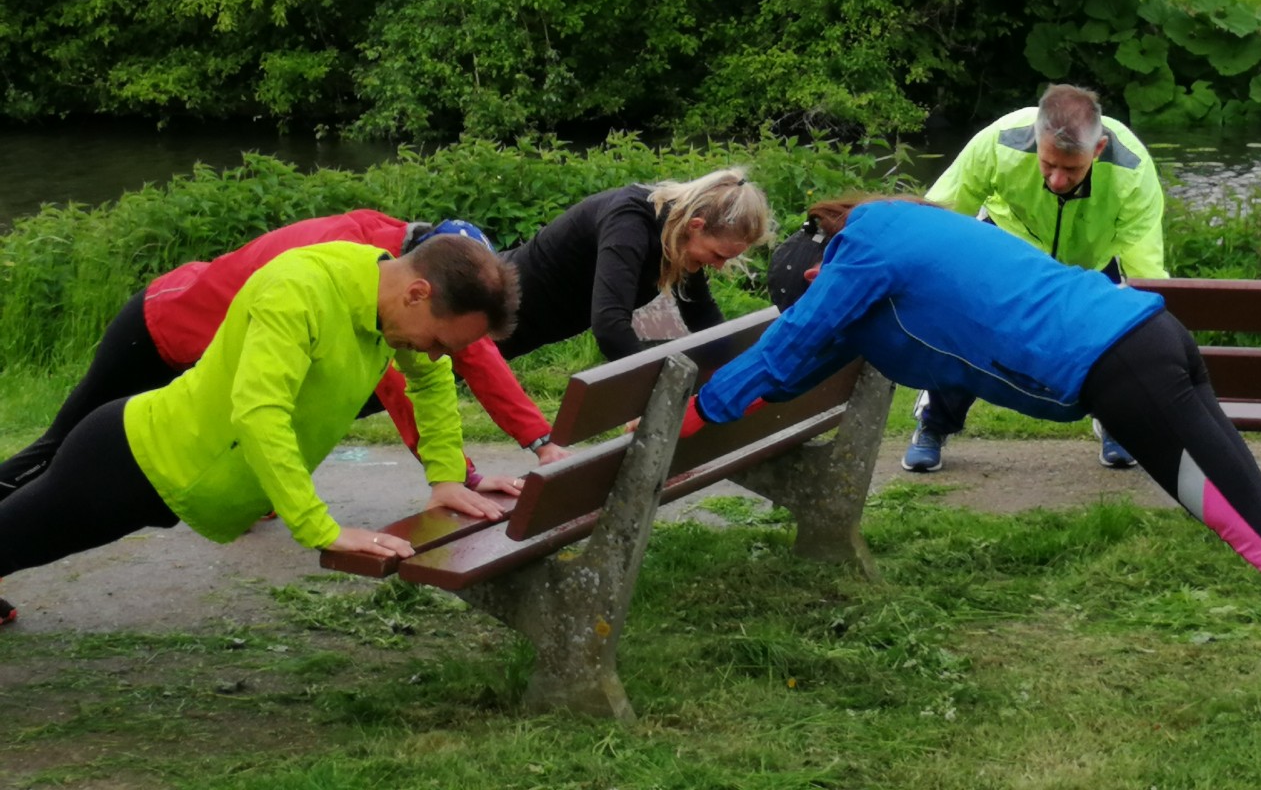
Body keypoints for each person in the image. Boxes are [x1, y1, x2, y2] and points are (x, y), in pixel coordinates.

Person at [685, 197, 1261, 767]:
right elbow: (808, 358)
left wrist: (686, 415)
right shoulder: (896, 221)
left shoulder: (859, 259)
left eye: (813, 297)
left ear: (822, 270)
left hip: (1122, 372)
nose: (822, 308)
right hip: (1145, 338)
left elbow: (788, 352)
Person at [0, 234, 522, 627]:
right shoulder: (299, 290)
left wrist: (447, 477)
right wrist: (322, 529)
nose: (433, 354)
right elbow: (260, 412)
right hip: (129, 463)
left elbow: (430, 386)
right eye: (437, 339)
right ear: (417, 292)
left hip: (179, 478)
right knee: (14, 543)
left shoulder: (391, 306)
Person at [0, 210, 566, 509]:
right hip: (164, 329)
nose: (438, 347)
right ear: (425, 280)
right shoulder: (350, 267)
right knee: (56, 455)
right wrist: (459, 475)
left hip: (217, 355)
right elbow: (399, 386)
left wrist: (538, 440)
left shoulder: (398, 272)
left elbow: (465, 353)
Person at [913, 83, 1167, 472]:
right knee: (965, 323)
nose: (1057, 181)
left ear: (1097, 150)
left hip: (1091, 256)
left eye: (1071, 169)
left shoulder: (1132, 169)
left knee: (1121, 326)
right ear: (1036, 137)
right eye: (1048, 164)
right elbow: (940, 213)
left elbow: (1145, 268)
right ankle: (933, 423)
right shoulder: (999, 140)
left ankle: (1119, 422)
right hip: (1007, 243)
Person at [498, 168, 770, 363]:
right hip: (486, 308)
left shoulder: (677, 237)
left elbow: (702, 315)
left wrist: (738, 369)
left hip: (518, 332)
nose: (719, 266)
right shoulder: (629, 223)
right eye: (718, 255)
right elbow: (610, 326)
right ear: (695, 225)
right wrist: (645, 396)